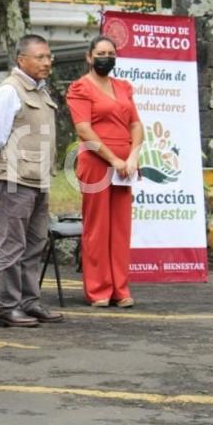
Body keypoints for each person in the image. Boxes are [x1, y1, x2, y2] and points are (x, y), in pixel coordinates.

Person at [0, 34, 64, 328]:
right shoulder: (10, 91)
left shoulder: (41, 91)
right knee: (12, 245)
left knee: (35, 244)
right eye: (40, 57)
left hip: (38, 179)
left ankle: (30, 301)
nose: (46, 62)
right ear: (21, 60)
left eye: (48, 57)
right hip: (15, 179)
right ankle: (8, 306)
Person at [66, 35, 143, 307]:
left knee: (121, 228)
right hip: (97, 164)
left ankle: (120, 289)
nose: (106, 57)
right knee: (97, 228)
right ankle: (99, 290)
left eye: (111, 52)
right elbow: (84, 130)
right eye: (100, 53)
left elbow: (136, 125)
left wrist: (132, 156)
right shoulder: (80, 88)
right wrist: (114, 160)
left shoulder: (123, 87)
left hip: (125, 168)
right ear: (89, 57)